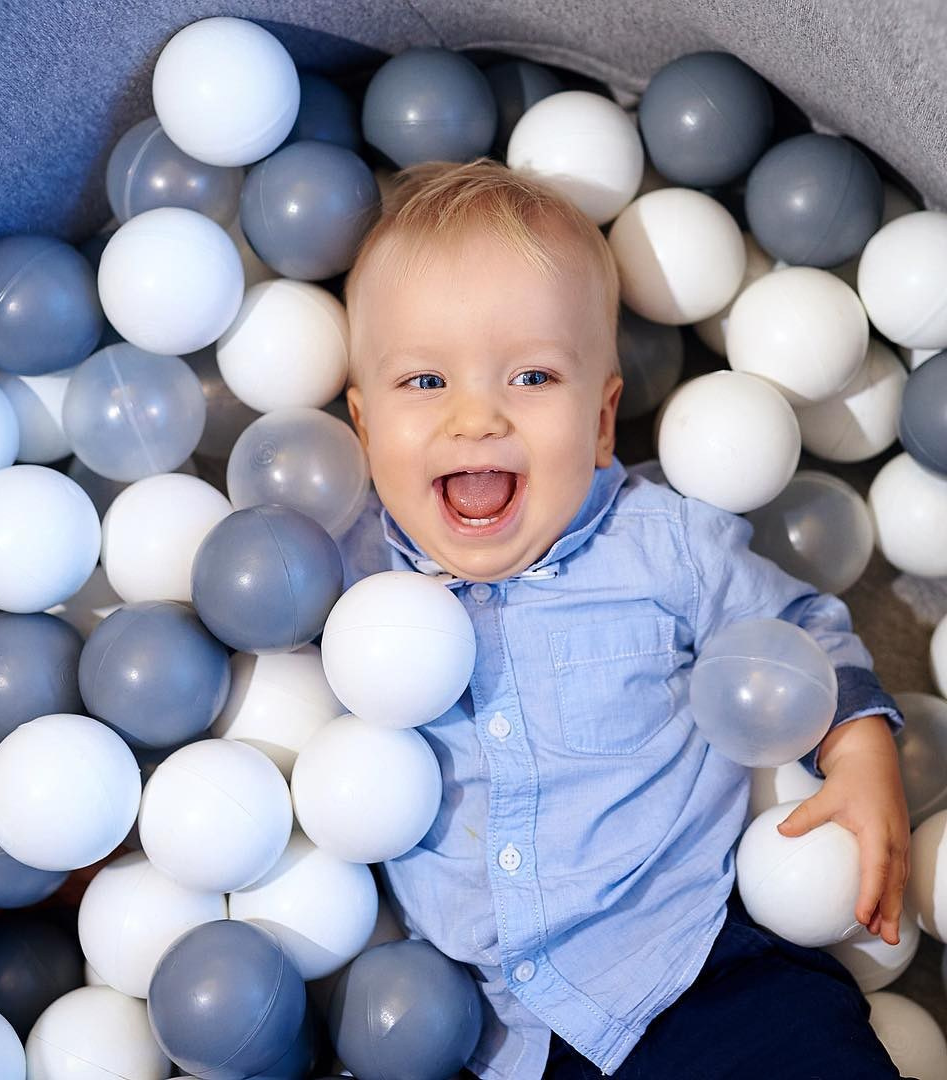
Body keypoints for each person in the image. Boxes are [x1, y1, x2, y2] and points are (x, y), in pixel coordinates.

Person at [335, 159, 912, 1079]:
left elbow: (796, 629)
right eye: (425, 381)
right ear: (364, 430)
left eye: (531, 375)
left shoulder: (661, 546)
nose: (476, 417)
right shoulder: (344, 574)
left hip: (698, 978)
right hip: (492, 1037)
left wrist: (859, 752)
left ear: (602, 422)